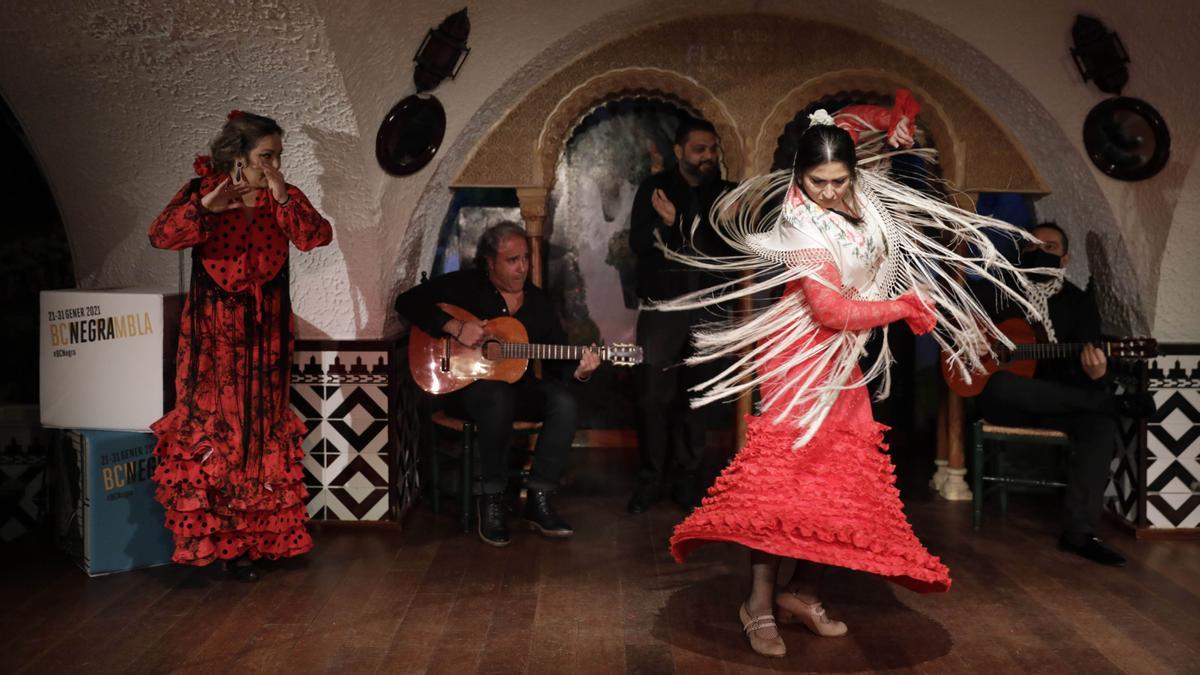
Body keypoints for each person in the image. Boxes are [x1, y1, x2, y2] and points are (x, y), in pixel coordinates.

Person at [650, 93, 1055, 658]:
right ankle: (758, 604)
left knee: (838, 481)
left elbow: (850, 121)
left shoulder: (854, 193)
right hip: (798, 359)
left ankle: (803, 590)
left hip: (839, 360)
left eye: (840, 180)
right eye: (818, 182)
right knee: (787, 487)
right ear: (800, 177)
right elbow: (831, 311)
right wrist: (905, 306)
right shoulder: (801, 223)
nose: (831, 192)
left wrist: (897, 123)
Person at [148, 110, 333, 581]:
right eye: (265, 156)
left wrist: (282, 195)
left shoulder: (282, 199)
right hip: (213, 339)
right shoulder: (203, 192)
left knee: (258, 432)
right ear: (238, 156)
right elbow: (162, 235)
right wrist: (206, 207)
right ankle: (216, 544)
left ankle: (252, 544)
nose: (273, 165)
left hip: (266, 336)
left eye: (277, 156)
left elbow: (316, 237)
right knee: (214, 432)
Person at [395, 223, 600, 547]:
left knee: (564, 403)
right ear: (490, 262)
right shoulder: (465, 286)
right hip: (465, 390)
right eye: (512, 260)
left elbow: (561, 364)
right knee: (496, 395)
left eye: (525, 259)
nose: (522, 267)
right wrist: (454, 326)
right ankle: (490, 499)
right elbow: (406, 302)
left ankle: (539, 498)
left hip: (520, 389)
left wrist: (582, 372)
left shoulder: (539, 303)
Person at [978, 222, 1131, 567]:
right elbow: (953, 320)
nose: (1040, 252)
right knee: (1002, 383)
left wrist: (1097, 373)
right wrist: (971, 338)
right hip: (1008, 403)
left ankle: (1080, 533)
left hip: (1062, 402)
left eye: (1050, 247)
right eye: (1033, 246)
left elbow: (1089, 362)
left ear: (1065, 259)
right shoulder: (998, 293)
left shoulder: (1078, 303)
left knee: (1098, 423)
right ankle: (1112, 402)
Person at [627, 117, 737, 513]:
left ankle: (688, 482)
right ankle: (650, 479)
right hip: (663, 310)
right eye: (699, 150)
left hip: (708, 310)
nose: (708, 157)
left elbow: (727, 248)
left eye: (712, 149)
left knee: (698, 400)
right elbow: (641, 243)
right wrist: (684, 232)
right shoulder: (653, 190)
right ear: (679, 151)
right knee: (652, 398)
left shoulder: (727, 195)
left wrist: (678, 224)